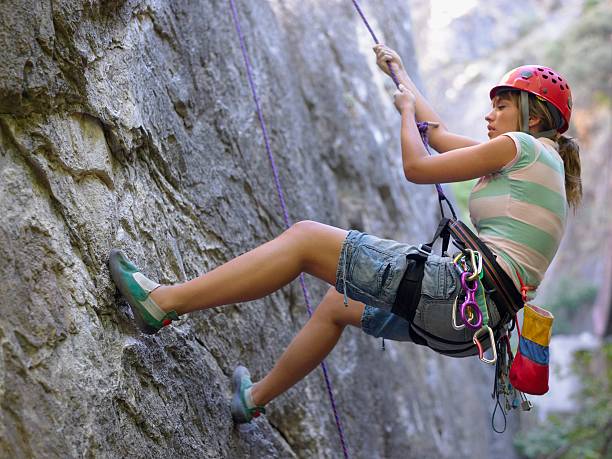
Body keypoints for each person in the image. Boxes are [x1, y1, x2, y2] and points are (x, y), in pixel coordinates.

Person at [109, 44, 581, 423]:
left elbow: (418, 164)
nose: (489, 116)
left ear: (532, 116)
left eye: (500, 107)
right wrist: (398, 73)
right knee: (338, 305)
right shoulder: (541, 163)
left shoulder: (517, 147)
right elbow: (436, 134)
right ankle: (252, 399)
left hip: (455, 293)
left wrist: (401, 113)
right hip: (472, 324)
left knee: (306, 238)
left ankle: (163, 303)